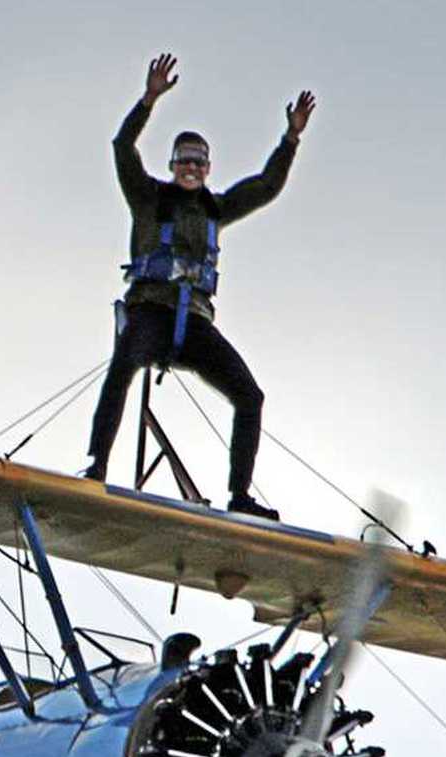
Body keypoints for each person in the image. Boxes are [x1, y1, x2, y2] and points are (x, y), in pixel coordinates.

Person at [83, 53, 313, 521]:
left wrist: (290, 138)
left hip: (194, 325)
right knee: (124, 364)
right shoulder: (148, 198)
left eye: (199, 161)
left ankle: (239, 496)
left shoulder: (217, 209)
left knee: (250, 396)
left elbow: (267, 186)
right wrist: (148, 100)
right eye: (184, 160)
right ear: (172, 164)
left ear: (208, 169)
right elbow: (122, 147)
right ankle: (96, 467)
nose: (191, 167)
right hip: (150, 311)